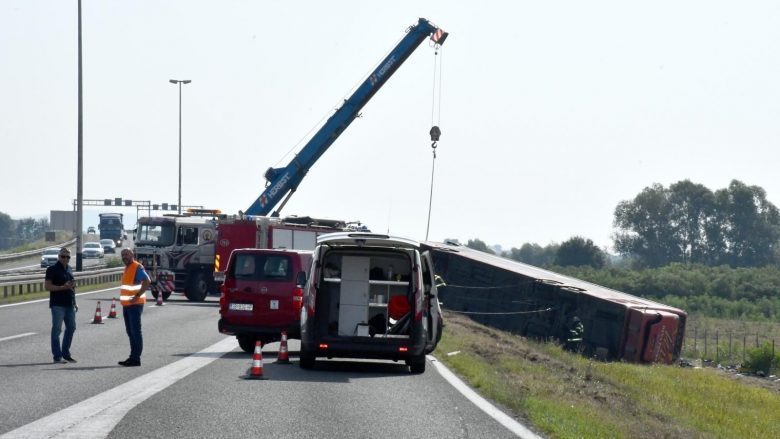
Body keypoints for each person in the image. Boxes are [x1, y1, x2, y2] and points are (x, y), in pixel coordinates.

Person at [44, 247, 77, 364]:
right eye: (63, 256)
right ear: (58, 256)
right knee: (57, 330)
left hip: (69, 304)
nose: (65, 259)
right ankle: (57, 356)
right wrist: (62, 287)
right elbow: (47, 286)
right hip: (57, 304)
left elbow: (71, 287)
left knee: (72, 327)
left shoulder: (69, 269)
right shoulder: (52, 269)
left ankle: (66, 353)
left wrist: (74, 301)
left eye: (68, 257)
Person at [118, 248, 150, 367]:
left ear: (132, 255)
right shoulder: (127, 268)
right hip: (127, 305)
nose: (124, 257)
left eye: (126, 254)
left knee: (135, 331)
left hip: (135, 305)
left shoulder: (137, 267)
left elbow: (147, 281)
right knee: (130, 332)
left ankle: (136, 358)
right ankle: (133, 357)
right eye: (122, 255)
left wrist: (137, 296)